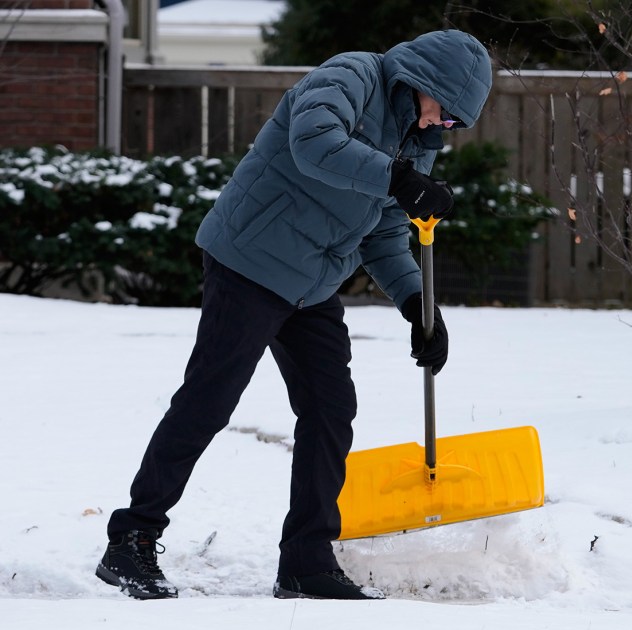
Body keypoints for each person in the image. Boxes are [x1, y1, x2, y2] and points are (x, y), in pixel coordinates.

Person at [95, 30, 492, 600]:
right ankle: (130, 539)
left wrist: (416, 304)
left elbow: (383, 228)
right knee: (210, 398)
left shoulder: (415, 138)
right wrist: (397, 178)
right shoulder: (352, 74)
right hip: (250, 259)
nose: (443, 128)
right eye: (447, 115)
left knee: (331, 407)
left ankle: (306, 560)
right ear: (428, 84)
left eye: (455, 125)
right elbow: (316, 142)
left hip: (312, 282)